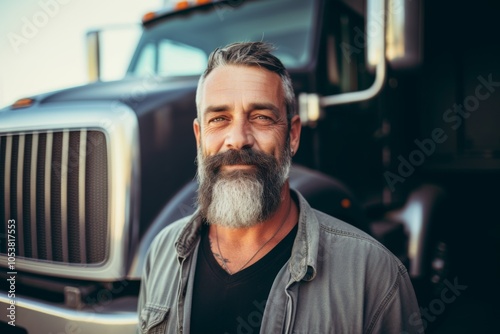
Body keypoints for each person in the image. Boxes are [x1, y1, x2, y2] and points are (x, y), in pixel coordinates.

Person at [137, 42, 423, 334]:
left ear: (293, 135)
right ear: (199, 138)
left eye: (261, 117)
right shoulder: (162, 253)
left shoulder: (373, 275)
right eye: (219, 119)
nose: (238, 139)